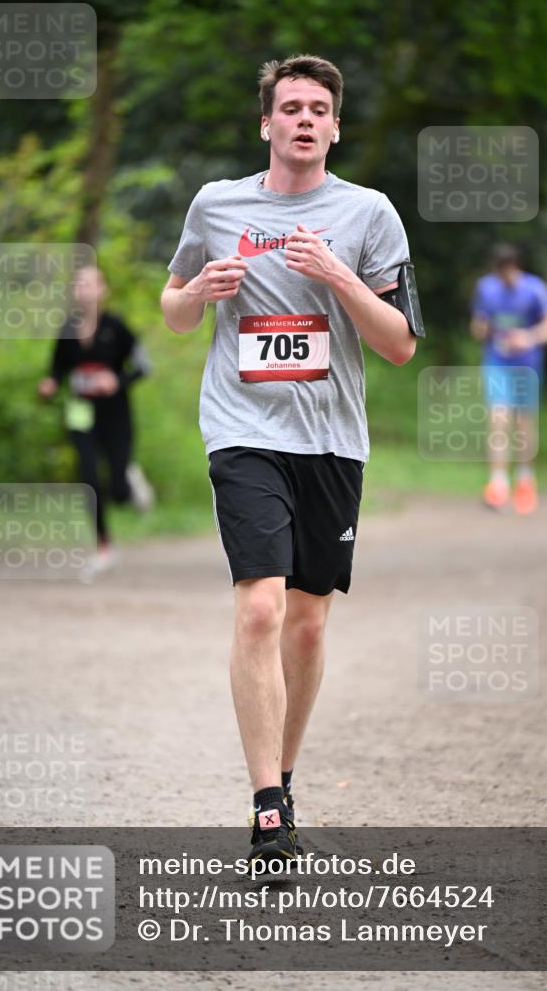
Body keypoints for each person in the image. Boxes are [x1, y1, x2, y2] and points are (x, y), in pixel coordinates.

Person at [160, 55, 417, 868]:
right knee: (261, 608)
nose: (304, 119)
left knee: (306, 623)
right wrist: (199, 289)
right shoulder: (217, 205)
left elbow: (401, 345)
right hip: (242, 429)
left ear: (334, 126)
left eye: (318, 109)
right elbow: (171, 311)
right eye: (290, 107)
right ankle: (267, 806)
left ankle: (286, 775)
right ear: (266, 123)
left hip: (332, 440)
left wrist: (337, 275)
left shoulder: (369, 213)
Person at [38, 265, 154, 575]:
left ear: (102, 289)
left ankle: (129, 481)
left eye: (89, 284)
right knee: (88, 478)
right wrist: (50, 383)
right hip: (81, 414)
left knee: (117, 490)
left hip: (116, 415)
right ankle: (103, 545)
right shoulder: (66, 329)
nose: (83, 289)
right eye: (78, 284)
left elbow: (144, 366)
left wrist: (117, 380)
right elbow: (57, 368)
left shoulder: (116, 327)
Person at [470, 244, 547, 514]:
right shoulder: (486, 288)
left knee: (524, 424)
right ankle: (498, 484)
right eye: (500, 273)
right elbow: (477, 325)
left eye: (508, 272)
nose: (504, 278)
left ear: (516, 267)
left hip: (528, 366)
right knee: (498, 419)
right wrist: (483, 329)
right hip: (497, 363)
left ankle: (525, 481)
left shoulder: (535, 289)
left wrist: (529, 337)